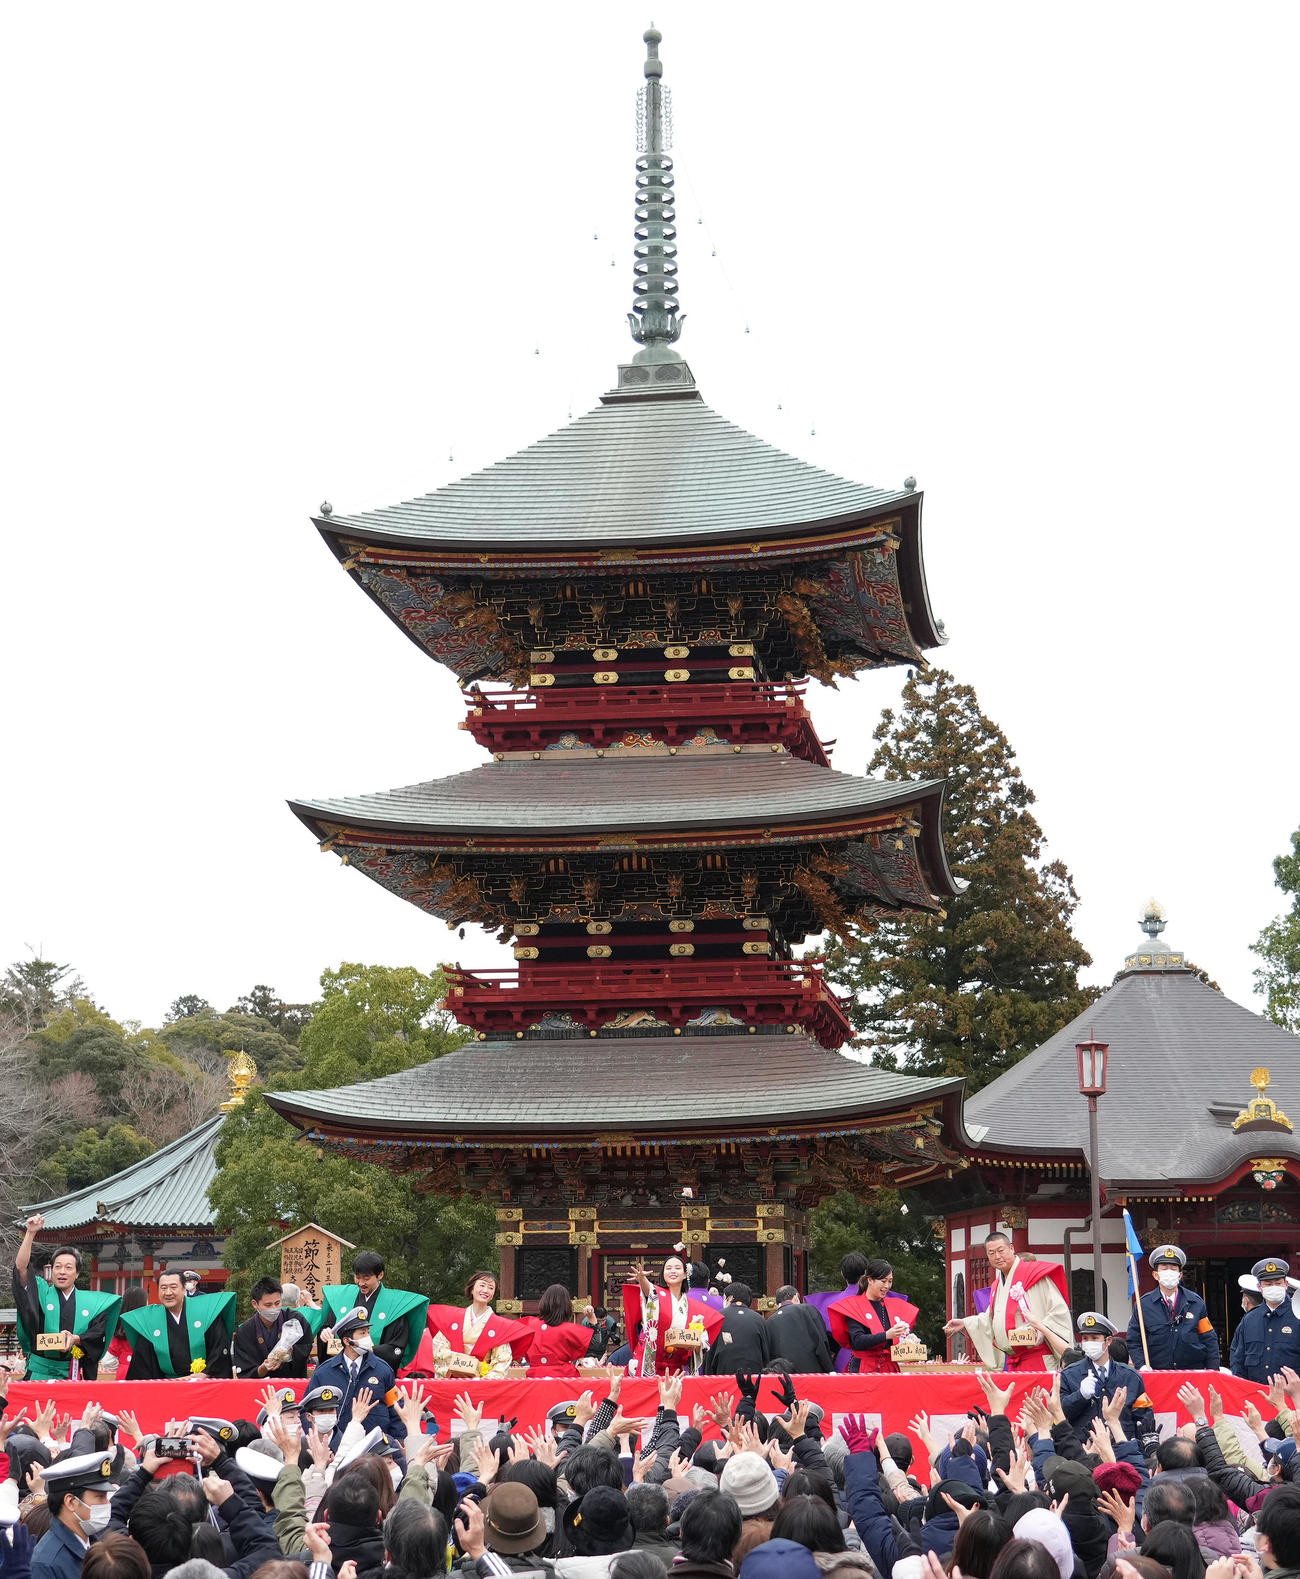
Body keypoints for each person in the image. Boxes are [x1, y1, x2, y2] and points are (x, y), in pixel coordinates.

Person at [11, 1218, 121, 1383]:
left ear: (77, 1273)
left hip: (73, 1373)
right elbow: (21, 1268)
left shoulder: (92, 1303)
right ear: (51, 1270)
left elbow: (97, 1335)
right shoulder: (41, 1292)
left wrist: (76, 1339)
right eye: (58, 1266)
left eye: (68, 1267)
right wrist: (30, 1233)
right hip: (39, 1374)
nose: (62, 1271)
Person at [944, 1232, 1071, 1371]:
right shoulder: (998, 1284)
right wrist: (964, 1323)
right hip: (1014, 1361)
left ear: (1011, 1248)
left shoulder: (1033, 1274)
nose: (997, 1257)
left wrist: (1042, 1329)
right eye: (991, 1253)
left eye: (1001, 1250)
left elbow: (1058, 1310)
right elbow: (990, 1318)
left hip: (1038, 1358)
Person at [306, 1307, 407, 1449]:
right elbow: (308, 1412)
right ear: (347, 1341)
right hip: (336, 1448)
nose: (367, 1337)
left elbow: (397, 1409)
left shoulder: (383, 1369)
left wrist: (398, 1441)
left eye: (368, 1332)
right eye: (362, 1333)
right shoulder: (324, 1372)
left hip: (376, 1448)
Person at [320, 1251, 429, 1372]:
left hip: (375, 1372)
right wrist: (325, 1332)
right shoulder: (342, 1297)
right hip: (341, 1370)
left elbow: (396, 1347)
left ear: (380, 1275)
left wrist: (369, 1349)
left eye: (366, 1278)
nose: (361, 1283)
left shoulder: (394, 1304)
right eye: (357, 1277)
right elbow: (328, 1326)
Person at [120, 1269, 234, 1378]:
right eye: (163, 1288)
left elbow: (219, 1348)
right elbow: (143, 1362)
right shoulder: (150, 1320)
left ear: (184, 1289)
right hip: (166, 1387)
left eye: (173, 1287)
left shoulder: (206, 1312)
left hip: (202, 1382)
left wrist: (207, 1372)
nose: (168, 1293)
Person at [623, 1257, 722, 1379]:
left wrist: (697, 1343)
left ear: (686, 1274)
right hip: (651, 1363)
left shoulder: (692, 1305)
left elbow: (702, 1335)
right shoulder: (657, 1294)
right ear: (663, 1273)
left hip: (676, 1366)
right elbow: (649, 1290)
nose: (673, 1271)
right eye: (668, 1268)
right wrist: (642, 1279)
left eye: (678, 1268)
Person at [424, 1271, 534, 1379]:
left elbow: (502, 1361)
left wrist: (483, 1377)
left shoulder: (499, 1326)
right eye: (482, 1285)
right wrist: (466, 1364)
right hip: (452, 1379)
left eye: (491, 1288)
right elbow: (439, 1351)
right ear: (472, 1289)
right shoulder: (452, 1318)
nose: (485, 1290)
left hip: (482, 1380)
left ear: (493, 1295)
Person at [1127, 1246, 1220, 1372]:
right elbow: (1134, 1340)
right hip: (1157, 1374)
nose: (1169, 1271)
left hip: (1192, 1373)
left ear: (1180, 1275)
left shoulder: (1196, 1303)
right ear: (1155, 1275)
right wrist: (1142, 1366)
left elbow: (1209, 1339)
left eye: (1173, 1268)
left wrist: (1212, 1370)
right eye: (1164, 1268)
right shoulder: (1143, 1304)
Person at [31, 1450, 117, 1579]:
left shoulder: (95, 1544)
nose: (106, 1503)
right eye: (100, 1497)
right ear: (71, 1502)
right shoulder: (46, 1563)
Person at [1059, 1311, 1147, 1437]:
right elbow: (1058, 1414)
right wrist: (1080, 1396)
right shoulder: (1069, 1375)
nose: (1089, 1343)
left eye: (1095, 1338)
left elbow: (1143, 1417)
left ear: (1108, 1341)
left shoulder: (1130, 1376)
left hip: (1121, 1448)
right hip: (1083, 1450)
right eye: (1085, 1338)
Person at [828, 1260, 919, 1375]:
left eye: (890, 1281)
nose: (887, 1286)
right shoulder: (854, 1306)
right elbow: (857, 1341)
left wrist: (909, 1341)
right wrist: (887, 1335)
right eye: (883, 1281)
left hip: (890, 1367)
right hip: (864, 1368)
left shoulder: (894, 1306)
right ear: (870, 1280)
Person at [1231, 1259, 1300, 1382]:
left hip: (1291, 1397)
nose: (1274, 1287)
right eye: (1268, 1284)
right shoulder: (1249, 1320)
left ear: (1286, 1285)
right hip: (1255, 1394)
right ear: (1260, 1287)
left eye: (1278, 1283)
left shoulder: (1297, 1315)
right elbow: (1238, 1360)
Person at [232, 1280, 315, 1380]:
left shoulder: (295, 1319)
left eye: (277, 1303)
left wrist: (290, 1353)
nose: (274, 1308)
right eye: (268, 1305)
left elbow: (306, 1345)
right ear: (255, 1304)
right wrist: (263, 1368)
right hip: (260, 1387)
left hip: (291, 1383)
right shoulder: (244, 1331)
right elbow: (245, 1370)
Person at [518, 1284, 605, 1375]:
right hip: (564, 1379)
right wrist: (591, 1318)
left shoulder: (529, 1325)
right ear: (566, 1306)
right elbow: (596, 1345)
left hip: (534, 1378)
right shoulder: (569, 1330)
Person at [806, 1253, 868, 1374]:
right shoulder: (876, 1300)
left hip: (843, 1357)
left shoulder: (827, 1303)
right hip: (873, 1359)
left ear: (842, 1274)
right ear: (866, 1274)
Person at [703, 1285, 773, 1377]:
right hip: (754, 1377)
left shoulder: (717, 1317)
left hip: (722, 1376)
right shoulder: (760, 1320)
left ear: (730, 1298)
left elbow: (709, 1353)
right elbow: (766, 1353)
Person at [766, 1287, 836, 1374]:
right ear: (795, 1297)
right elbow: (821, 1341)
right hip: (811, 1372)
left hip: (785, 1375)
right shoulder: (807, 1309)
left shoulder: (769, 1321)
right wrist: (829, 1368)